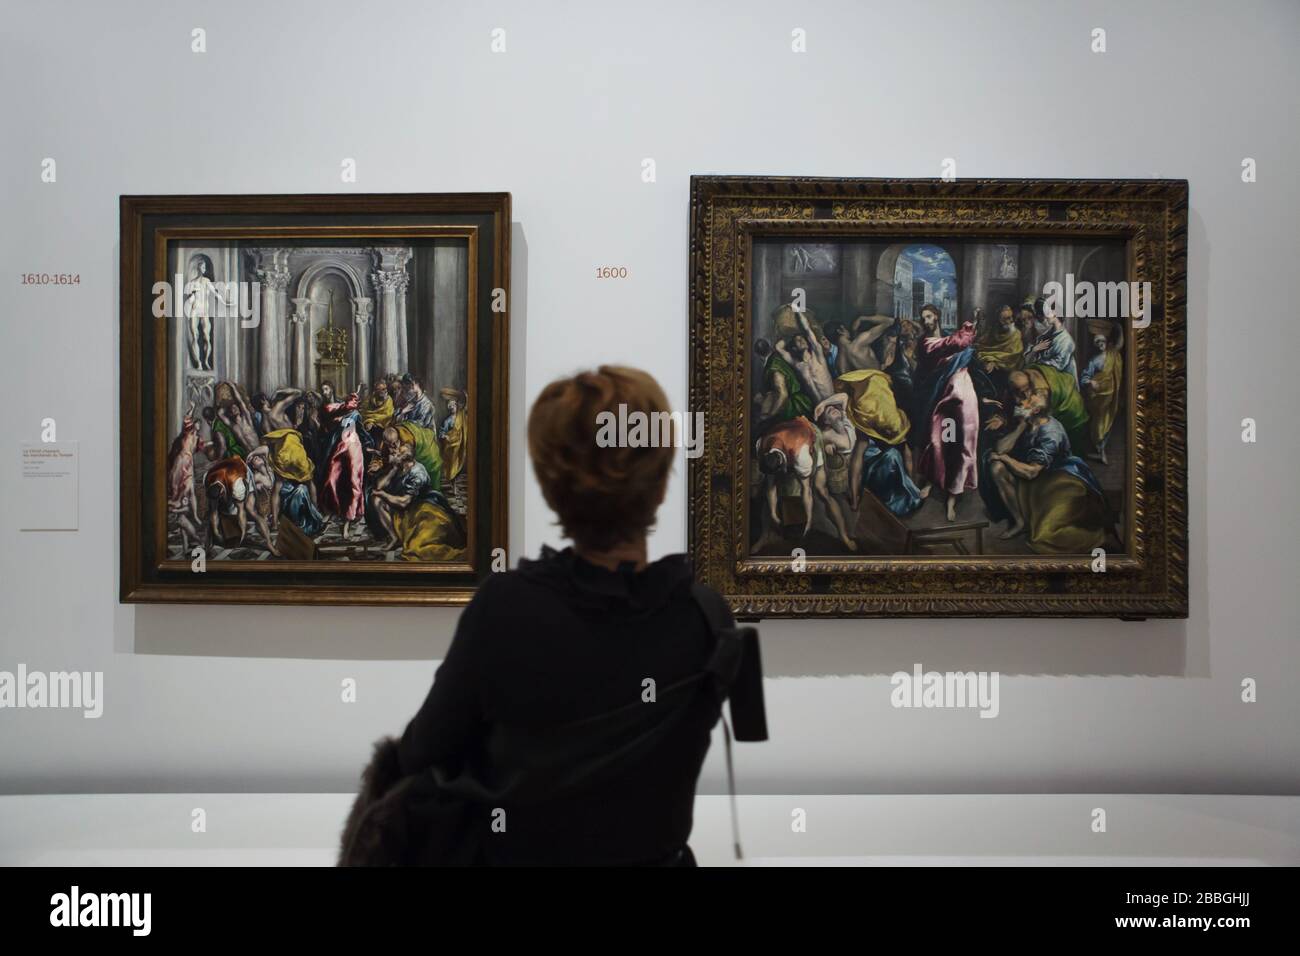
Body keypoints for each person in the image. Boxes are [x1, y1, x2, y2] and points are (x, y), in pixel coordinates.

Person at [397, 366, 745, 865]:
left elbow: (420, 754)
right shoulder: (705, 618)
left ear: (549, 485)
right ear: (663, 483)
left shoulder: (505, 609)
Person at [985, 389, 1107, 553]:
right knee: (996, 468)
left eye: (1026, 401)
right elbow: (1000, 449)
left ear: (1034, 410)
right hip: (1039, 479)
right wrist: (1021, 426)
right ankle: (1020, 522)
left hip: (1061, 483)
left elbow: (1031, 472)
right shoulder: (1028, 422)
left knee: (1045, 537)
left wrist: (1006, 459)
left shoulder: (1050, 432)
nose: (1020, 402)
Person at [914, 305, 979, 521]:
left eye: (929, 317)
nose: (925, 321)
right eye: (923, 318)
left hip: (964, 396)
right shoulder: (926, 344)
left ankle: (952, 497)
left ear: (937, 317)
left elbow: (963, 347)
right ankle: (933, 481)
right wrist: (970, 327)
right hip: (943, 397)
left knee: (962, 445)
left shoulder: (950, 339)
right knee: (938, 441)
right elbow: (957, 343)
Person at [1081, 325, 1123, 464]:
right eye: (1098, 343)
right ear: (1095, 345)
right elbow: (1084, 377)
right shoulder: (1094, 360)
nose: (1100, 345)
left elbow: (1119, 344)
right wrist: (1091, 382)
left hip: (1110, 394)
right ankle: (1100, 450)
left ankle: (1101, 450)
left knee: (1108, 421)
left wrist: (1120, 329)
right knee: (1098, 423)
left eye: (1102, 342)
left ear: (1106, 343)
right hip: (1097, 397)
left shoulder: (1112, 354)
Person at [774, 311, 835, 403]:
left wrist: (798, 311)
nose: (801, 340)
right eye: (797, 340)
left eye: (802, 338)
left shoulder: (817, 356)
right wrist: (790, 335)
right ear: (794, 347)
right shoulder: (798, 365)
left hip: (832, 401)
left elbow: (807, 329)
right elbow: (778, 348)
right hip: (818, 407)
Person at [752, 337, 814, 429]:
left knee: (763, 424)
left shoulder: (774, 367)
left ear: (759, 356)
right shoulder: (778, 355)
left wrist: (770, 416)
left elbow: (783, 394)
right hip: (792, 400)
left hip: (796, 405)